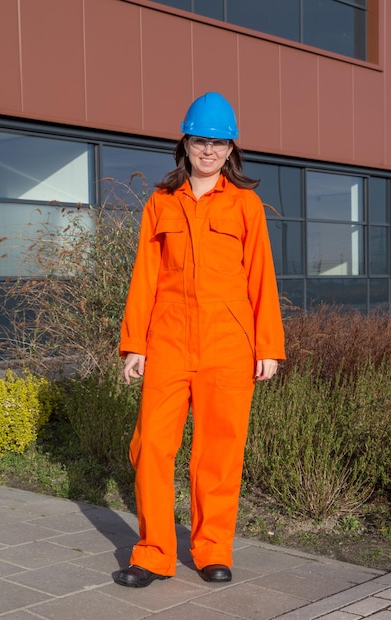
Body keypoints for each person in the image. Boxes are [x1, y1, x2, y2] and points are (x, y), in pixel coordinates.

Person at [115, 92, 285, 588]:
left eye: (218, 142)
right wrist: (134, 345)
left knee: (220, 452)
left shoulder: (246, 205)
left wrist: (268, 347)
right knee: (151, 448)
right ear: (184, 143)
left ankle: (212, 549)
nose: (208, 150)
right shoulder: (160, 203)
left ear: (231, 148)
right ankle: (152, 554)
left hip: (228, 345)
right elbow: (144, 276)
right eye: (199, 140)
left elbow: (261, 278)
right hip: (168, 341)